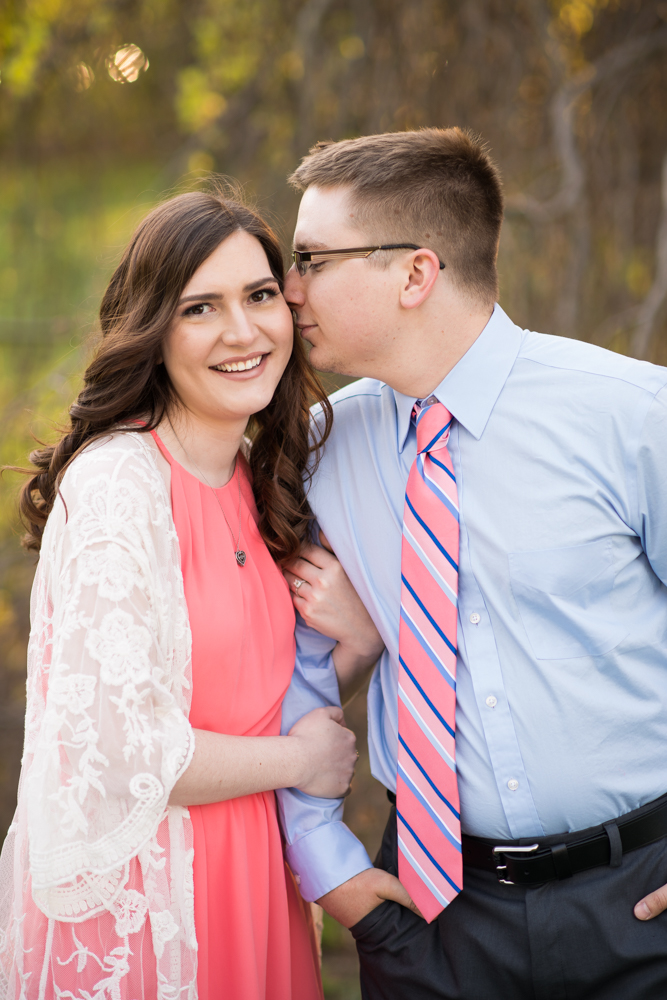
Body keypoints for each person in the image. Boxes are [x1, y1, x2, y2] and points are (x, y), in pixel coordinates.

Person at [275, 127, 667, 1000]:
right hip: (429, 922)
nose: (288, 289)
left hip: (643, 909)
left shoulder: (631, 415)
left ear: (414, 274)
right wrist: (326, 865)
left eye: (311, 259)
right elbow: (281, 674)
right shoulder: (320, 448)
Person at [0, 188, 384, 1000]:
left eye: (258, 296)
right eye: (200, 308)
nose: (242, 332)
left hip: (258, 869)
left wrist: (357, 640)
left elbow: (246, 697)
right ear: (154, 331)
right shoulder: (117, 486)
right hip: (156, 890)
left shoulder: (261, 479)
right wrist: (300, 762)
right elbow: (123, 752)